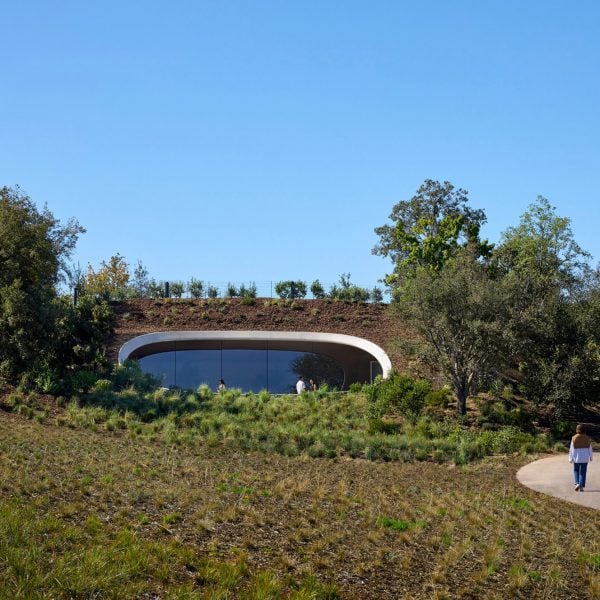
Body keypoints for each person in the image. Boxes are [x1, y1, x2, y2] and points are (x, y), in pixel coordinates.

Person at [569, 423, 593, 491]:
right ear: (584, 430)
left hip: (576, 458)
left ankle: (577, 483)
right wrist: (591, 457)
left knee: (576, 470)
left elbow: (571, 449)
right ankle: (581, 485)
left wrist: (570, 458)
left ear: (577, 429)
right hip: (585, 458)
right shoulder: (587, 438)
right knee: (583, 472)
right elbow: (590, 448)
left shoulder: (574, 438)